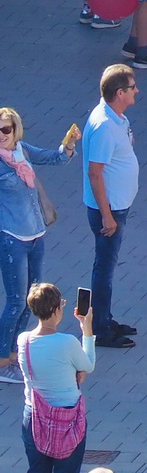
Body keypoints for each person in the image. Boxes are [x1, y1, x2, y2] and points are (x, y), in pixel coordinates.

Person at [0, 108, 69, 385]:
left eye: (5, 129)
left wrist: (68, 148)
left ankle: (14, 354)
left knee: (30, 301)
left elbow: (55, 158)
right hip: (12, 237)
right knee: (16, 302)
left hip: (36, 235)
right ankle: (3, 361)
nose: (1, 135)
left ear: (15, 129)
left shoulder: (22, 151)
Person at [20, 283, 93, 473]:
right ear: (54, 309)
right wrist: (87, 328)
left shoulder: (24, 341)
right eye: (61, 304)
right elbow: (89, 364)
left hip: (34, 417)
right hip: (67, 420)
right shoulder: (67, 342)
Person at [81, 64, 140, 349]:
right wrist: (107, 215)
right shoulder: (105, 125)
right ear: (120, 93)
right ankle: (100, 328)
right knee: (104, 268)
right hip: (110, 210)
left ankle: (104, 317)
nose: (137, 91)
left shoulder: (115, 117)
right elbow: (95, 173)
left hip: (116, 206)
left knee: (106, 266)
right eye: (132, 87)